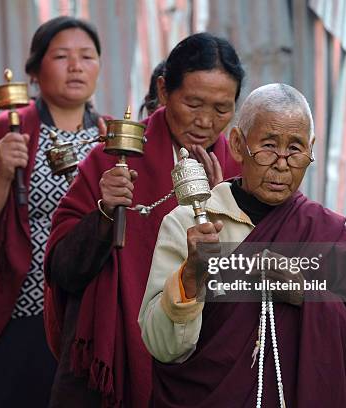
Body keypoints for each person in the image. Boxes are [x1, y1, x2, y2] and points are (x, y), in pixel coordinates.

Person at [138, 83, 346, 407]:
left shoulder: (326, 232)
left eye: (295, 149)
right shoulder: (188, 225)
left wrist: (306, 295)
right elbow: (162, 346)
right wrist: (190, 278)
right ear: (237, 145)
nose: (282, 163)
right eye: (269, 146)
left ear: (311, 151)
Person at [44, 33, 245, 407]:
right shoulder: (113, 160)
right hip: (111, 364)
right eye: (193, 103)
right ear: (164, 91)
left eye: (222, 108)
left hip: (202, 365)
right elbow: (62, 270)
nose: (205, 121)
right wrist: (104, 212)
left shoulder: (239, 172)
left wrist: (225, 207)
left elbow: (249, 283)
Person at [0, 16, 103, 407]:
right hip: (23, 309)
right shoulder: (5, 132)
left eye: (87, 56)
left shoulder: (112, 138)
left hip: (90, 315)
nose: (76, 66)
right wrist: (0, 175)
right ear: (34, 72)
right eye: (62, 56)